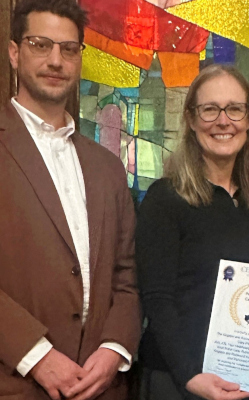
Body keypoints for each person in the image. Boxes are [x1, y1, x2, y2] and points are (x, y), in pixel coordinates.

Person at [0, 1, 141, 399]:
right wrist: (35, 355)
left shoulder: (108, 167)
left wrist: (115, 349)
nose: (55, 60)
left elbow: (127, 277)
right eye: (40, 45)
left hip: (101, 387)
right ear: (14, 53)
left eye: (69, 48)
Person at [136, 64, 249, 400]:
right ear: (191, 119)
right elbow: (157, 299)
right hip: (178, 380)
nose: (223, 121)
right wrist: (190, 375)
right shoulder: (165, 199)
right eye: (210, 109)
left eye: (235, 109)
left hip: (241, 381)